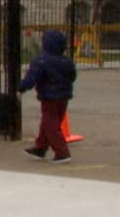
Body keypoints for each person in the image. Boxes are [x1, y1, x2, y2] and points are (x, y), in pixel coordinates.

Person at [19, 28, 78, 164]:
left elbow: (31, 78)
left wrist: (22, 87)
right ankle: (40, 147)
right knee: (51, 121)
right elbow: (72, 76)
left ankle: (62, 152)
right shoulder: (66, 61)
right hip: (64, 96)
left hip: (48, 96)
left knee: (50, 123)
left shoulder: (41, 60)